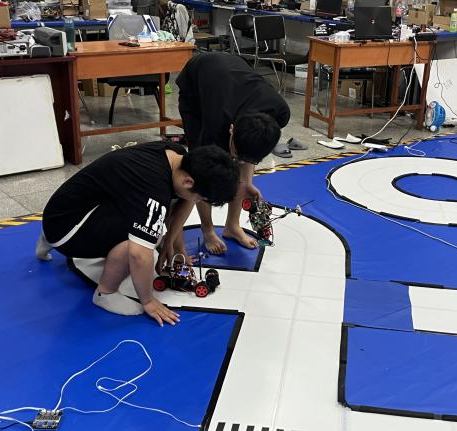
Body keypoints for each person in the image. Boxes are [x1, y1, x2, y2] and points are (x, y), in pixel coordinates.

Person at [35, 141, 239, 326]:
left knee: (154, 224)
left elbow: (185, 199)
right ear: (188, 182)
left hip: (59, 214)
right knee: (150, 233)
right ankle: (106, 292)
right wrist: (148, 301)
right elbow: (138, 255)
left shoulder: (176, 155)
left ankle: (48, 238)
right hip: (68, 231)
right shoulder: (154, 187)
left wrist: (171, 243)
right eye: (200, 199)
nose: (196, 202)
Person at [175, 52, 290, 255]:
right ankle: (208, 229)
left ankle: (232, 226)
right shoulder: (215, 125)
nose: (239, 161)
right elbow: (200, 177)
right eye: (237, 154)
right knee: (206, 173)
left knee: (240, 165)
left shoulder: (280, 112)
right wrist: (208, 231)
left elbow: (250, 150)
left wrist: (246, 182)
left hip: (235, 76)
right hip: (197, 83)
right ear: (231, 129)